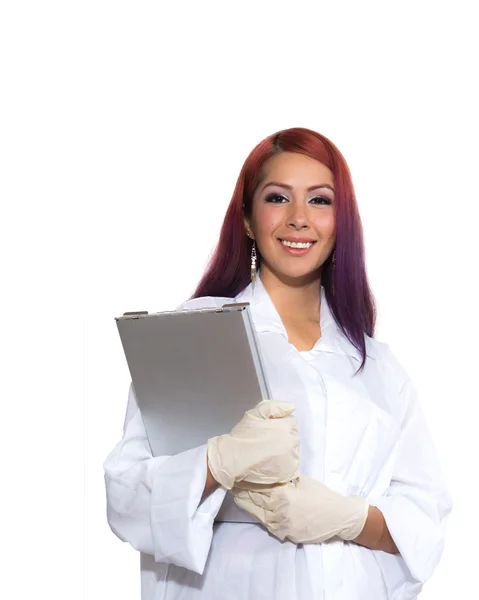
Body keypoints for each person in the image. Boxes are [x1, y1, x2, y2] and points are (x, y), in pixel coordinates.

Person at [103, 127, 452, 600]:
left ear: (340, 221)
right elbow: (125, 495)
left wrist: (348, 518)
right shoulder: (198, 334)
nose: (299, 219)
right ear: (247, 218)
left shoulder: (379, 370)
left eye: (320, 201)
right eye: (277, 197)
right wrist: (217, 462)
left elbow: (424, 518)